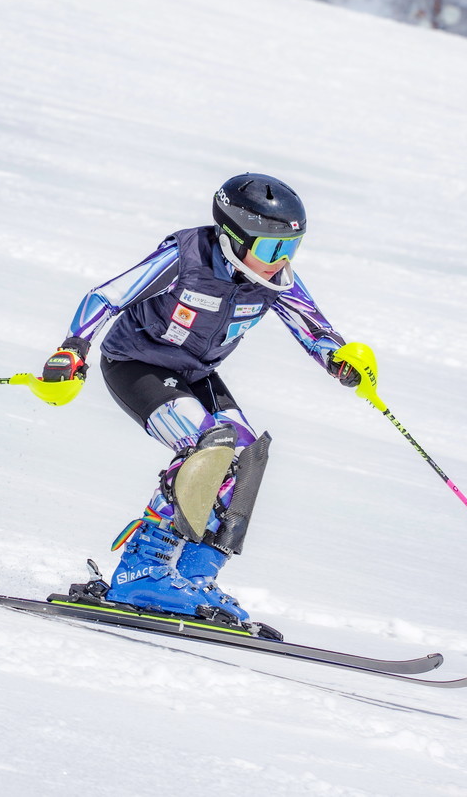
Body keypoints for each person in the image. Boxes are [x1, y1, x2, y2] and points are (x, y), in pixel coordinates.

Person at [40, 173, 363, 627]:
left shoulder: (272, 279)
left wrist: (340, 361)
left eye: (291, 249)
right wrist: (73, 350)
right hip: (138, 364)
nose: (282, 261)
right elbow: (107, 296)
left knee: (247, 453)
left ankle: (195, 575)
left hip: (196, 373)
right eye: (273, 249)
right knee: (207, 445)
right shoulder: (186, 256)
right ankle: (141, 570)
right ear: (235, 236)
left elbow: (314, 328)